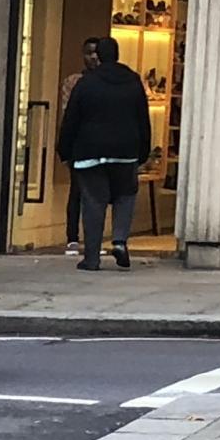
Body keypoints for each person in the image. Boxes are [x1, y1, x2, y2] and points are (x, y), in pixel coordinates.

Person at [55, 36, 151, 271]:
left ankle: (92, 258)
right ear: (117, 55)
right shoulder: (133, 81)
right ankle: (119, 240)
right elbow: (143, 120)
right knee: (125, 196)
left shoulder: (86, 84)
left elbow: (72, 121)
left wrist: (64, 150)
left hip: (90, 153)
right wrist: (143, 153)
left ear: (99, 55)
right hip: (125, 152)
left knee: (93, 202)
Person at [56, 37, 99, 255]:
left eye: (95, 52)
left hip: (98, 143)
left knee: (95, 193)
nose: (92, 57)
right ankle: (72, 237)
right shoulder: (73, 81)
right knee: (77, 191)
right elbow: (68, 114)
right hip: (79, 143)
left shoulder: (105, 81)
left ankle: (93, 237)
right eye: (88, 52)